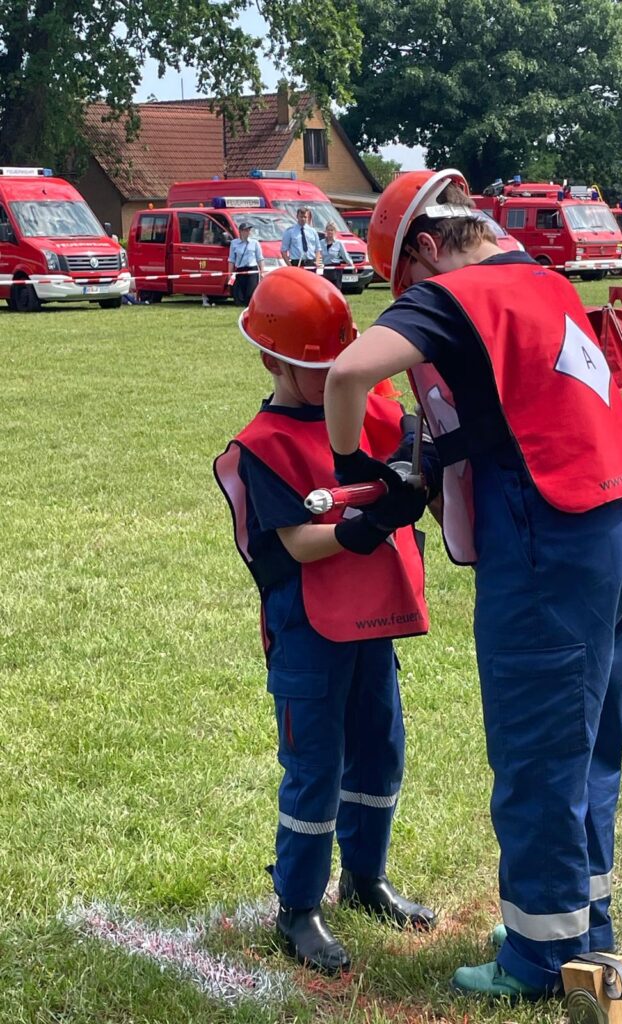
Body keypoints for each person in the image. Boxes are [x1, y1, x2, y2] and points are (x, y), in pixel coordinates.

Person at [323, 170, 622, 1000]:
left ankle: (541, 960)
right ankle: (587, 931)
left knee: (538, 753)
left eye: (403, 285)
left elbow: (346, 377)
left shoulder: (456, 294)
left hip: (547, 542)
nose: (406, 305)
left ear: (427, 250)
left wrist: (355, 466)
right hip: (621, 527)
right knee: (588, 751)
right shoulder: (545, 282)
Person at [213, 267, 439, 975]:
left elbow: (412, 442)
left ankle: (366, 879)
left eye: (337, 363)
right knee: (314, 766)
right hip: (308, 630)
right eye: (315, 369)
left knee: (380, 748)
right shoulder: (263, 447)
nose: (331, 378)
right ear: (270, 359)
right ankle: (299, 907)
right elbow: (299, 544)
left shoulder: (368, 401)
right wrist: (367, 525)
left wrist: (410, 469)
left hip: (373, 621)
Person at [228, 221, 265, 307]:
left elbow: (260, 258)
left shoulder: (255, 243)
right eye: (246, 230)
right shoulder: (234, 243)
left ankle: (250, 306)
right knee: (239, 293)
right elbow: (231, 260)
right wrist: (229, 274)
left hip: (252, 270)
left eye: (249, 230)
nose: (248, 232)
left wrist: (262, 271)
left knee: (251, 292)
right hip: (240, 270)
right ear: (240, 231)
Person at [320, 222, 355, 290]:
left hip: (336, 269)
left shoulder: (339, 243)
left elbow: (345, 255)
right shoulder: (321, 242)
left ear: (335, 231)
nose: (330, 232)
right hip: (326, 269)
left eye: (332, 230)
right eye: (328, 229)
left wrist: (352, 265)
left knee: (336, 290)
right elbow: (318, 255)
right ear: (326, 231)